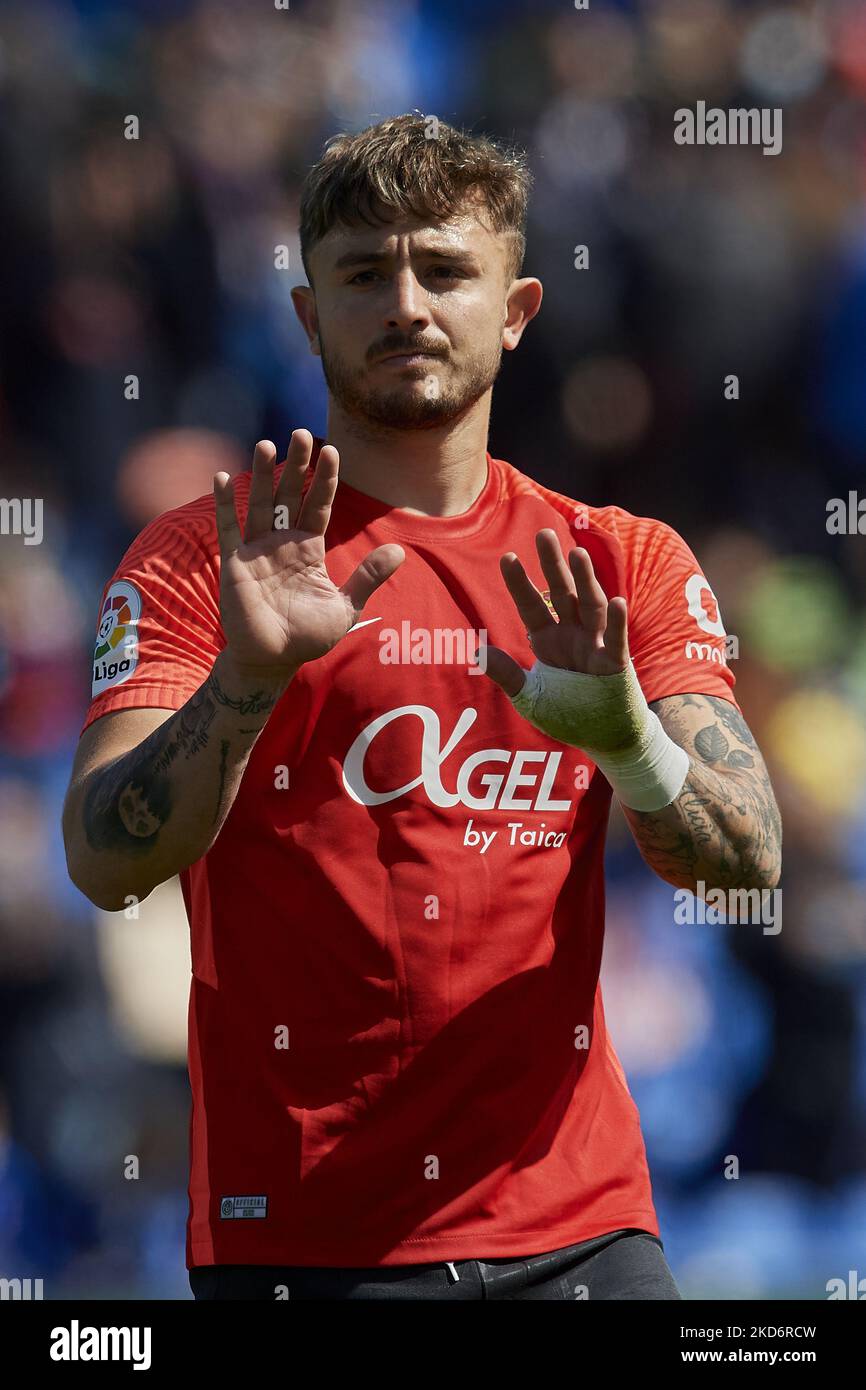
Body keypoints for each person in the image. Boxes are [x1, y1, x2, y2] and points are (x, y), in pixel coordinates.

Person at [62, 114, 782, 1301]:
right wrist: (246, 681)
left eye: (445, 269)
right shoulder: (209, 558)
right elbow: (102, 858)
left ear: (516, 308)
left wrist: (627, 744)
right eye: (362, 274)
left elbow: (746, 861)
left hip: (578, 1227)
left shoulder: (616, 561)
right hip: (301, 1240)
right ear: (306, 316)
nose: (405, 303)